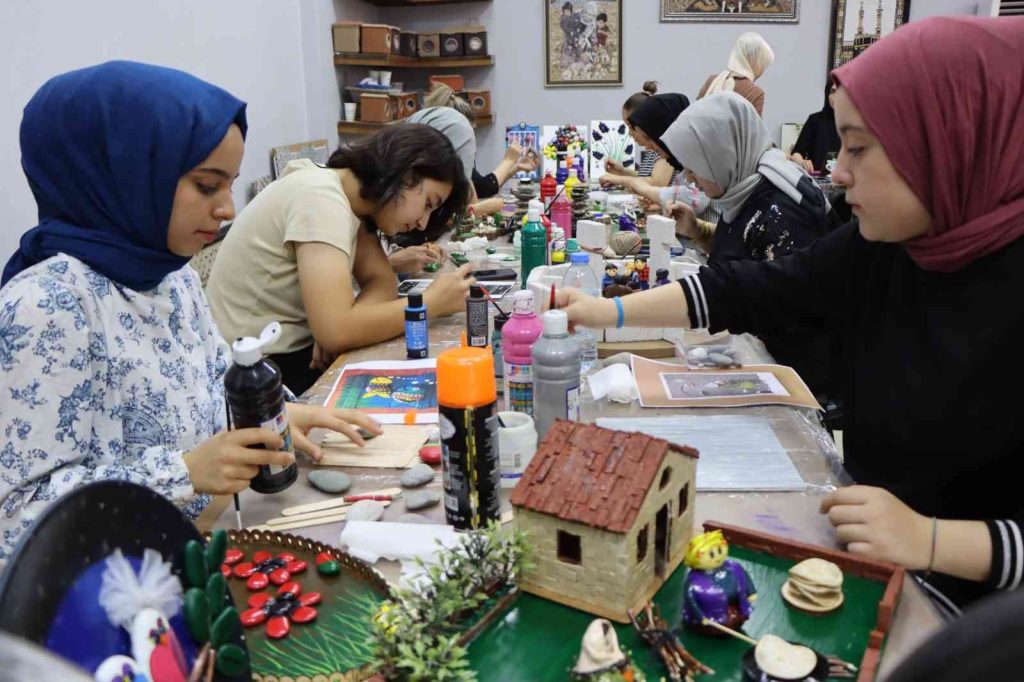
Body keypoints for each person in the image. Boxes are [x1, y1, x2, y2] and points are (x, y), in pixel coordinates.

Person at [556, 16, 1024, 610]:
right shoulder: (885, 245)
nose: (837, 172)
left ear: (945, 142)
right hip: (871, 562)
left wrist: (931, 540)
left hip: (974, 615)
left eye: (858, 148)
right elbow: (749, 287)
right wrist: (605, 312)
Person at [0, 61, 382, 566]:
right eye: (207, 186)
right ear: (128, 175)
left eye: (230, 185)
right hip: (111, 586)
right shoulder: (46, 306)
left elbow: (207, 383)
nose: (227, 209)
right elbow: (16, 517)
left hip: (199, 538)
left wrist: (276, 411)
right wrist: (182, 474)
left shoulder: (170, 273)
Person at [206, 123, 472, 395]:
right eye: (428, 204)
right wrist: (430, 304)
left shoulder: (352, 201)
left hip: (284, 356)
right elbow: (336, 331)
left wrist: (347, 325)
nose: (423, 222)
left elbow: (381, 281)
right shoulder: (321, 197)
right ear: (405, 173)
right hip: (253, 373)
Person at [660, 91, 835, 394]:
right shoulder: (746, 189)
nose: (690, 179)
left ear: (720, 155)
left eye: (695, 168)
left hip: (789, 381)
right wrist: (697, 230)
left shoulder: (781, 211)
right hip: (756, 366)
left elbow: (785, 307)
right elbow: (745, 248)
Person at [420, 86, 538, 209]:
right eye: (469, 131)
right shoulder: (446, 162)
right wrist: (509, 161)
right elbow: (472, 205)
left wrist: (515, 166)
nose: (471, 139)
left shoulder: (457, 157)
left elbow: (481, 186)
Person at [602, 81, 676, 188]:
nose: (630, 132)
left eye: (631, 126)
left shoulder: (662, 147)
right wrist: (622, 171)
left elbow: (657, 183)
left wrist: (618, 179)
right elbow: (646, 177)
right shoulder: (652, 148)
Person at [698, 32, 774, 116]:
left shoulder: (712, 81)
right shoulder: (754, 93)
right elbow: (753, 124)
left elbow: (694, 115)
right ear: (756, 63)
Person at [790, 81, 841, 174]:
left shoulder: (855, 123)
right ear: (827, 94)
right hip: (817, 178)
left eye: (841, 92)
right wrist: (803, 162)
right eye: (833, 91)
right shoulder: (815, 120)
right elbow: (795, 154)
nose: (837, 96)